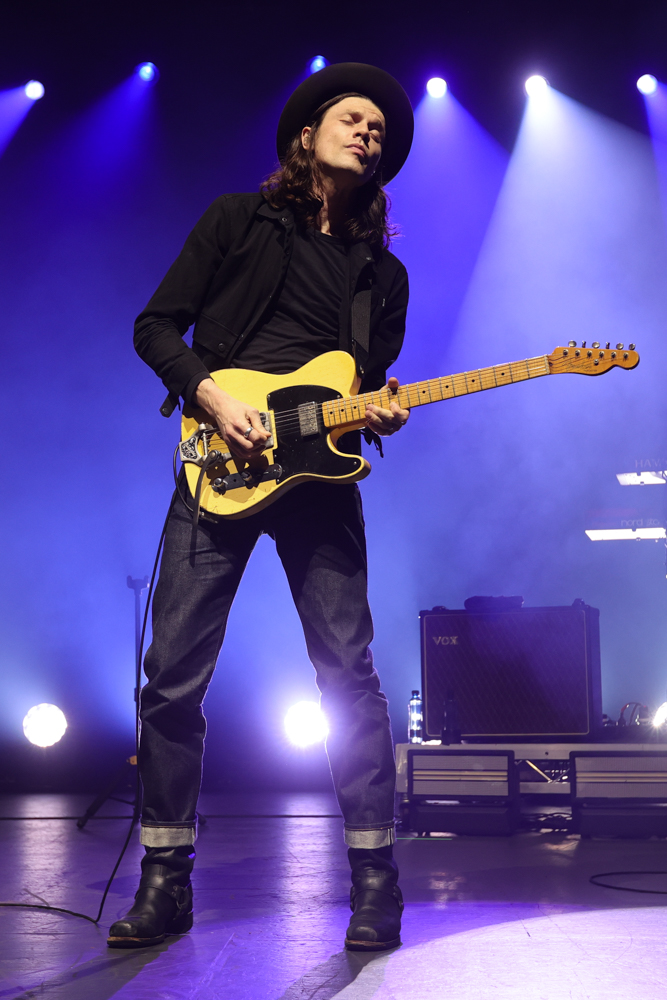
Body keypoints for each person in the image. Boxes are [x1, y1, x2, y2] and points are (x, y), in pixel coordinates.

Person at [107, 62, 414, 952]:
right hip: (219, 467)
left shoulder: (382, 276)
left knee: (348, 676)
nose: (368, 134)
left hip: (319, 484)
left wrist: (381, 412)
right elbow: (154, 325)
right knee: (172, 676)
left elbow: (366, 388)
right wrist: (211, 397)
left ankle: (375, 884)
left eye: (379, 131)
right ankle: (165, 882)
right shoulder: (235, 220)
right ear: (306, 135)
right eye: (353, 119)